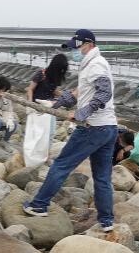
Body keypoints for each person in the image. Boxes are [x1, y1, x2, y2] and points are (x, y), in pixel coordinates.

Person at [23, 29, 118, 232]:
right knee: (102, 177)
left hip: (92, 127)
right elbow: (79, 92)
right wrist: (55, 104)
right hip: (109, 127)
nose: (75, 51)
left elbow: (105, 93)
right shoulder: (93, 64)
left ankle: (39, 205)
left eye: (77, 46)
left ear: (88, 44)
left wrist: (82, 113)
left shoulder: (96, 65)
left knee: (61, 165)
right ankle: (107, 221)